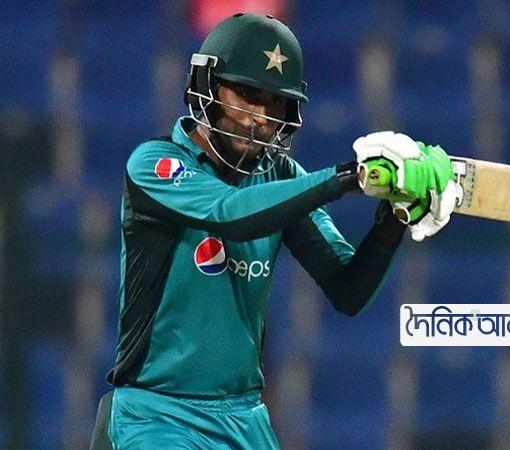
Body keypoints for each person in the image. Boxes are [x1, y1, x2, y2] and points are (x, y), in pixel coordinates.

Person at [90, 13, 456, 449]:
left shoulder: (281, 177)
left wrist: (394, 219)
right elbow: (229, 214)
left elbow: (349, 290)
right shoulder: (155, 163)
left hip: (244, 418)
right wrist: (352, 177)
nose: (258, 118)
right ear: (208, 87)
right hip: (157, 416)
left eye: (275, 103)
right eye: (246, 95)